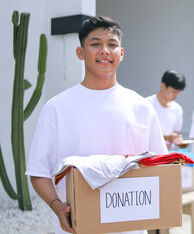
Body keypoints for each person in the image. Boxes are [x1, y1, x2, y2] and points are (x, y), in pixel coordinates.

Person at [25, 16, 167, 234]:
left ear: (121, 53)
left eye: (112, 44)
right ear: (80, 53)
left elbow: (161, 166)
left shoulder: (140, 106)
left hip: (128, 228)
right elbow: (38, 171)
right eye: (95, 44)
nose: (104, 51)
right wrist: (57, 206)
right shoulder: (57, 108)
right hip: (77, 228)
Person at [146, 70, 186, 150]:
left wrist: (177, 140)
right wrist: (166, 138)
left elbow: (175, 133)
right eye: (174, 91)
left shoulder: (177, 109)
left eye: (178, 92)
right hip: (149, 155)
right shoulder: (147, 104)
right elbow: (143, 134)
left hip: (169, 155)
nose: (176, 95)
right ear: (163, 86)